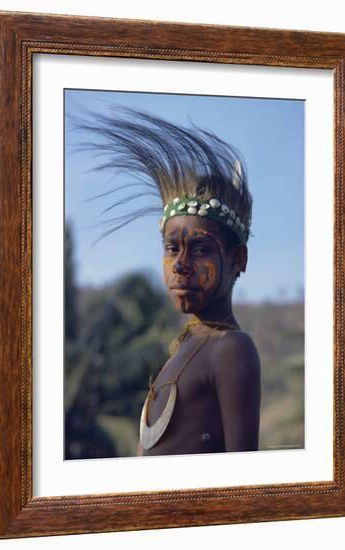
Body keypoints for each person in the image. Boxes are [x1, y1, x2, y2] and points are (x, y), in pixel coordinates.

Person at [73, 106, 261, 456]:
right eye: (172, 248)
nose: (181, 265)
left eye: (201, 249)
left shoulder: (231, 349)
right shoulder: (183, 347)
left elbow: (243, 479)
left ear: (238, 259)